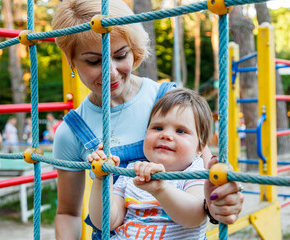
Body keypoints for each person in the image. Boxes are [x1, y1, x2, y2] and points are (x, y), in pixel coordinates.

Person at [51, 0, 243, 239]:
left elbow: (204, 180)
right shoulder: (71, 131)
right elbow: (68, 213)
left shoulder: (170, 102)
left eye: (121, 55)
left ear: (134, 49)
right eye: (93, 61)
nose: (111, 71)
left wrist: (220, 201)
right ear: (71, 60)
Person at [88, 88, 215, 239]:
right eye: (158, 128)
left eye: (180, 131)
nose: (166, 135)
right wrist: (102, 179)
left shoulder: (195, 171)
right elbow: (106, 222)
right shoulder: (132, 171)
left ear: (200, 147)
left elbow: (194, 217)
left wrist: (161, 189)